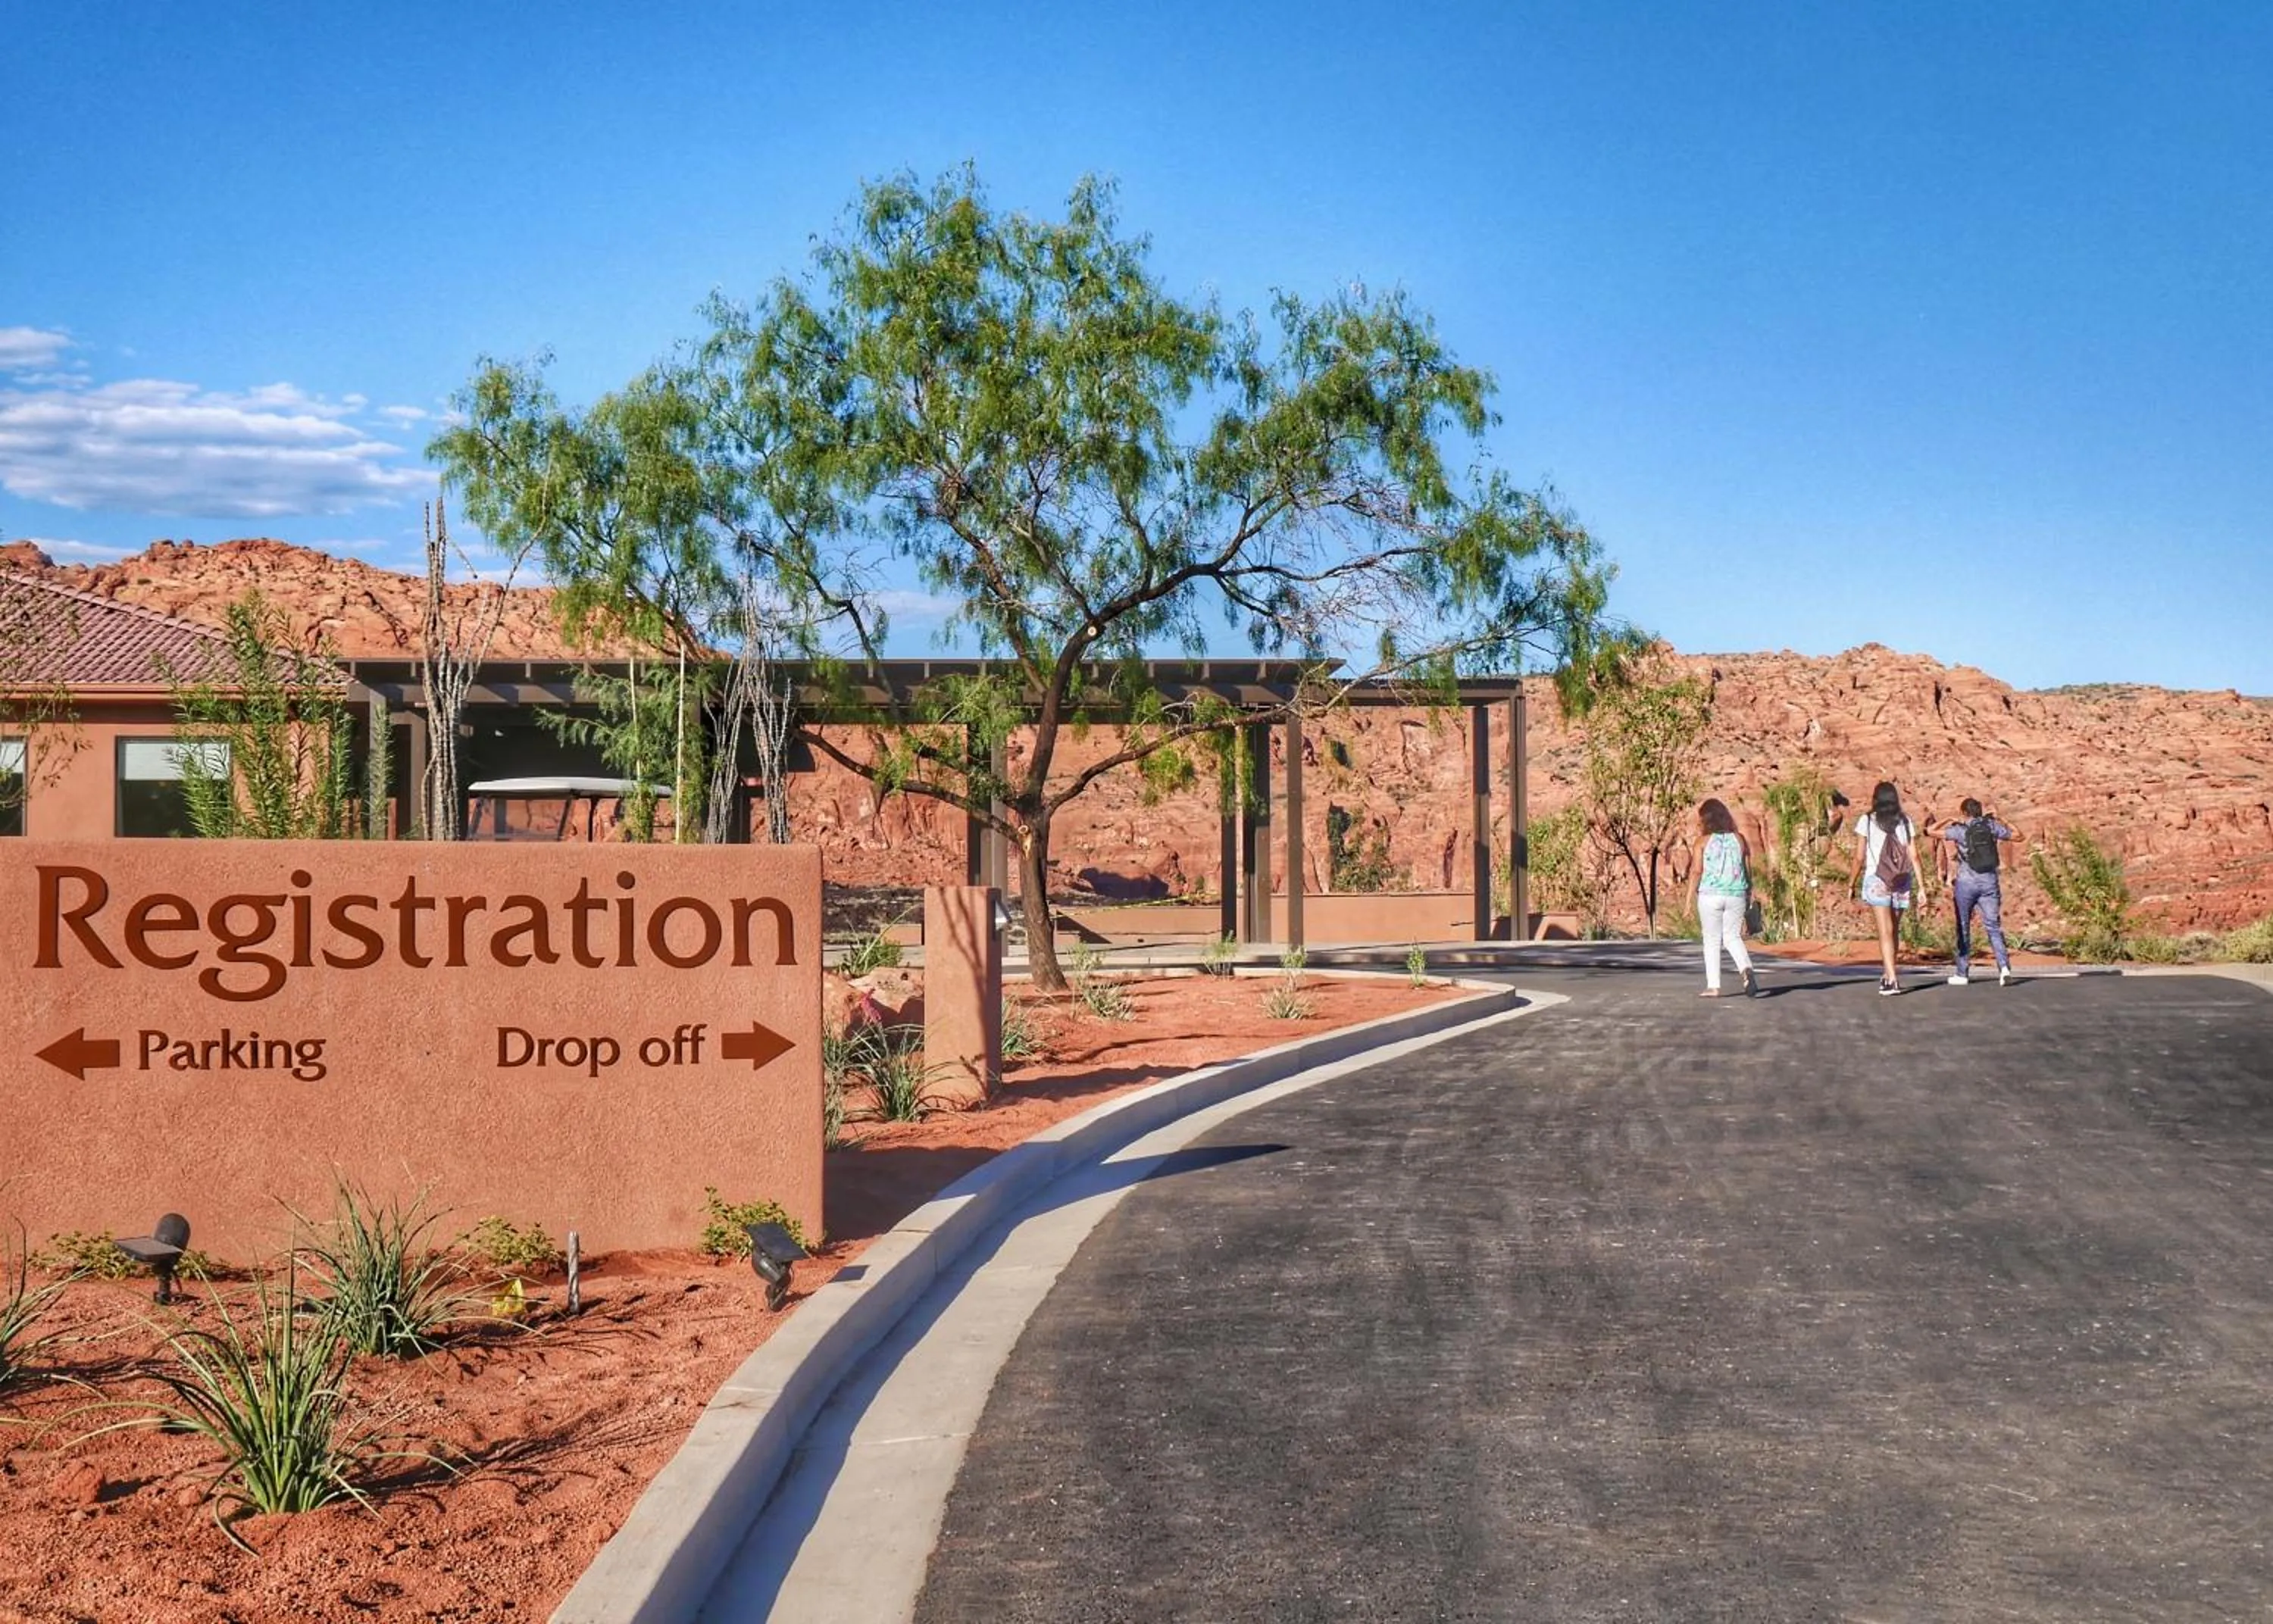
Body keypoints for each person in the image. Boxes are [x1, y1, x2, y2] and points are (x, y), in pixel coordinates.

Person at [1938, 796, 2020, 986]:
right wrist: (2002, 820)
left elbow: (1930, 831)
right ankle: (2004, 968)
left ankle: (1962, 973)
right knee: (1993, 926)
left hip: (1966, 884)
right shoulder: (1991, 827)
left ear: (1965, 813)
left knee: (1964, 927)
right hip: (1989, 882)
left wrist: (1948, 819)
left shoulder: (1960, 830)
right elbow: (2018, 836)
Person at [1849, 781, 1918, 995]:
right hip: (1901, 880)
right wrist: (1922, 887)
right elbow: (1913, 855)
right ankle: (1889, 974)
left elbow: (1859, 857)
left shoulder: (1867, 821)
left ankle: (1892, 979)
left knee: (1884, 931)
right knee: (1893, 930)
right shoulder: (1905, 821)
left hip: (1877, 879)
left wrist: (1851, 883)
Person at [1693, 798, 1761, 998]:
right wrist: (1750, 892)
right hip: (1736, 894)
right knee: (1733, 936)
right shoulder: (1739, 839)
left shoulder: (1702, 842)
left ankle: (1713, 986)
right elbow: (1747, 869)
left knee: (1712, 939)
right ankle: (1746, 969)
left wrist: (1690, 896)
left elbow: (1697, 871)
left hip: (1710, 896)